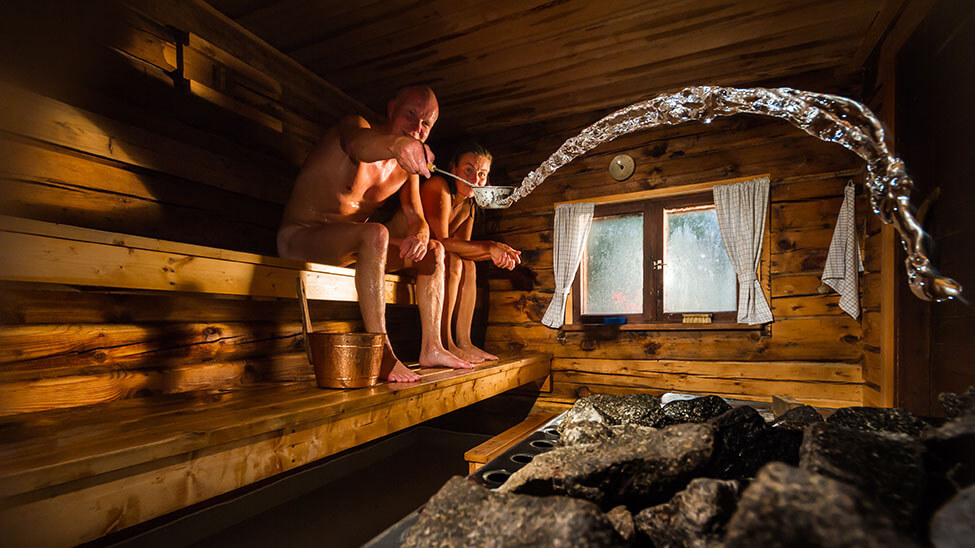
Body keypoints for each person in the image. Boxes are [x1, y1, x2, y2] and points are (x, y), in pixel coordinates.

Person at [277, 86, 471, 383]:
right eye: (411, 115)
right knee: (376, 233)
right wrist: (397, 146)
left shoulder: (407, 167)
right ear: (392, 108)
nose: (417, 128)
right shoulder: (357, 127)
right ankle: (381, 353)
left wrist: (419, 236)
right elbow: (357, 146)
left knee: (434, 251)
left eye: (426, 124)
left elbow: (416, 216)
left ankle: (432, 347)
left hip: (348, 245)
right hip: (301, 238)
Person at [388, 141, 520, 363]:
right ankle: (444, 342)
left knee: (466, 264)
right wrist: (490, 247)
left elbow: (462, 250)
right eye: (468, 170)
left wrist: (499, 250)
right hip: (398, 253)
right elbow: (443, 243)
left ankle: (464, 342)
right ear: (453, 169)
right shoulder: (438, 186)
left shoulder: (469, 205)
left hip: (425, 260)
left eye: (482, 174)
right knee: (453, 262)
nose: (474, 179)